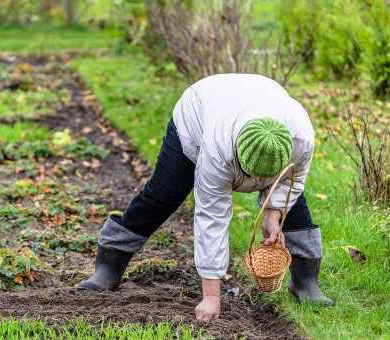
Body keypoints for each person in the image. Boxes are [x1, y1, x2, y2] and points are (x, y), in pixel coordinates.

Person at [76, 74, 333, 322]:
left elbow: (293, 180)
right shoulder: (217, 148)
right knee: (164, 194)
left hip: (256, 98)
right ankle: (110, 263)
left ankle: (305, 281)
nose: (255, 185)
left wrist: (274, 212)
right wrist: (211, 296)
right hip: (198, 115)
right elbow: (212, 217)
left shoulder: (300, 138)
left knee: (295, 204)